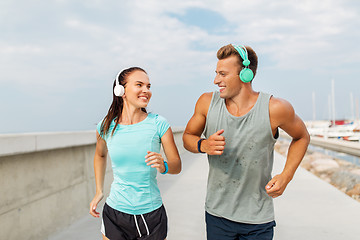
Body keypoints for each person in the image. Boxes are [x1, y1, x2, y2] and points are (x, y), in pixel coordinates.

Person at [183, 44, 310, 240]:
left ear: (245, 75)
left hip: (258, 219)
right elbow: (188, 137)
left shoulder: (275, 108)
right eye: (217, 73)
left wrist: (286, 176)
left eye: (223, 74)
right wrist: (203, 145)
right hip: (217, 215)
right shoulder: (206, 103)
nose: (216, 80)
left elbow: (302, 137)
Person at [89, 67, 181, 240]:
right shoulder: (105, 127)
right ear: (121, 90)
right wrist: (99, 191)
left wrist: (164, 166)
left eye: (148, 86)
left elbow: (177, 165)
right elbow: (100, 155)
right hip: (115, 213)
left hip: (151, 215)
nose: (146, 90)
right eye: (139, 85)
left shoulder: (158, 124)